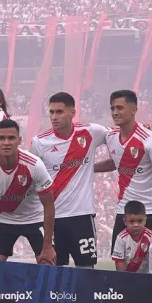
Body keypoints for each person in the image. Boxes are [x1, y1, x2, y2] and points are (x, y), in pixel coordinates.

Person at [94, 90, 152, 255]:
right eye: (112, 108)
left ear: (133, 110)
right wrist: (88, 168)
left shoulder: (150, 139)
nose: (115, 112)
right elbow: (117, 161)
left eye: (120, 108)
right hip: (125, 211)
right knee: (121, 264)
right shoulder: (110, 136)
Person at [30, 92, 109, 268]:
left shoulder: (91, 132)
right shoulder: (40, 142)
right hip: (52, 218)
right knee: (53, 271)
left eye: (59, 112)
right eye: (51, 112)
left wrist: (145, 128)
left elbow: (120, 138)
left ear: (72, 112)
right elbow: (31, 178)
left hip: (82, 216)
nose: (54, 117)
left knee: (86, 270)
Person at [0, 119, 56, 264]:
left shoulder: (34, 164)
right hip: (4, 218)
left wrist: (47, 246)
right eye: (1, 138)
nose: (6, 142)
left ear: (19, 140)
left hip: (34, 218)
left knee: (48, 263)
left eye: (11, 138)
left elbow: (49, 204)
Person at [111, 201, 152, 273]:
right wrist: (122, 279)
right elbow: (119, 262)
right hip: (128, 278)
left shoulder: (151, 237)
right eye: (131, 221)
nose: (136, 225)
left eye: (140, 221)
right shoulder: (121, 238)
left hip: (147, 277)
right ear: (125, 221)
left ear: (145, 220)